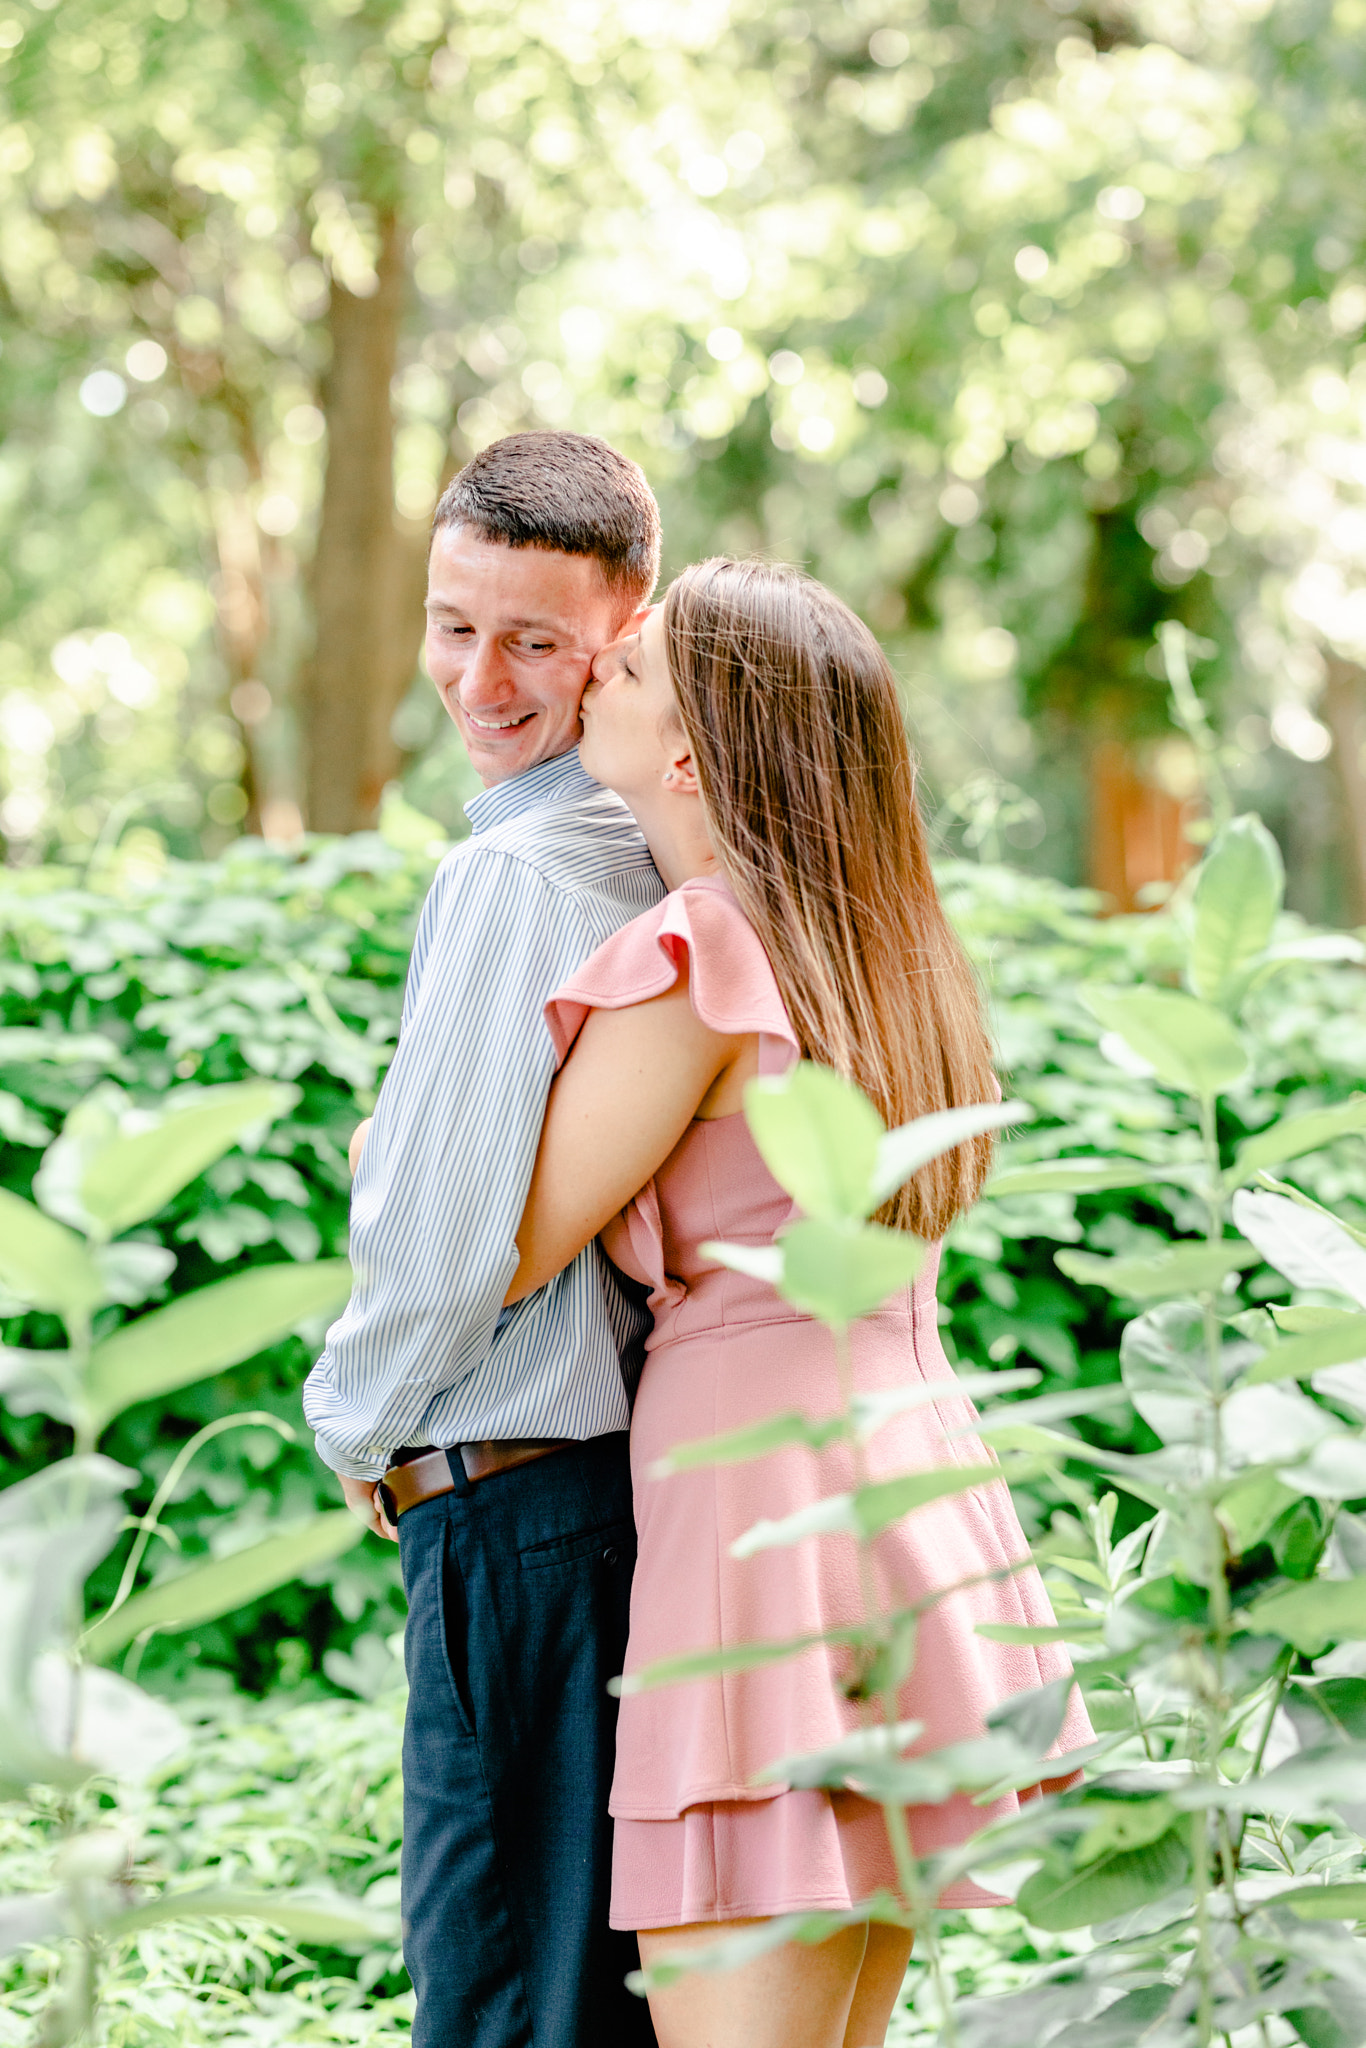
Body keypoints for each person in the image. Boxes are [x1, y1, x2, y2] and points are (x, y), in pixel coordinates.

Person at [505, 560, 1094, 2048]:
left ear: (692, 752)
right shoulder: (879, 951)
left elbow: (498, 1250)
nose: (590, 681)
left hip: (761, 1521)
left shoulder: (697, 949)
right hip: (913, 1489)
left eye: (626, 672)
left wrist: (395, 1144)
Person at [302, 431, 664, 2048]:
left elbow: (446, 1246)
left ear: (629, 622)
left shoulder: (518, 869)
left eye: (533, 638)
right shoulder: (646, 847)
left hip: (508, 1507)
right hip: (594, 1507)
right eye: (455, 624)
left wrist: (354, 1425)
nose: (480, 677)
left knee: (503, 2006)